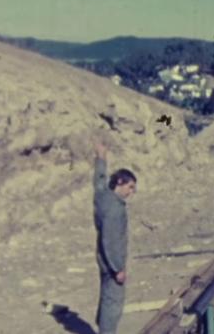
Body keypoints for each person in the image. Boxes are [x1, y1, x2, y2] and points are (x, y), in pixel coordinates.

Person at [93, 141, 137, 334]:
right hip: (111, 263)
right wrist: (118, 268)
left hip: (102, 260)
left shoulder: (103, 196)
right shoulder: (115, 210)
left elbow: (99, 180)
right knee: (113, 303)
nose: (132, 192)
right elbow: (110, 241)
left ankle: (102, 325)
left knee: (106, 296)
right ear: (119, 182)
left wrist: (101, 157)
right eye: (130, 187)